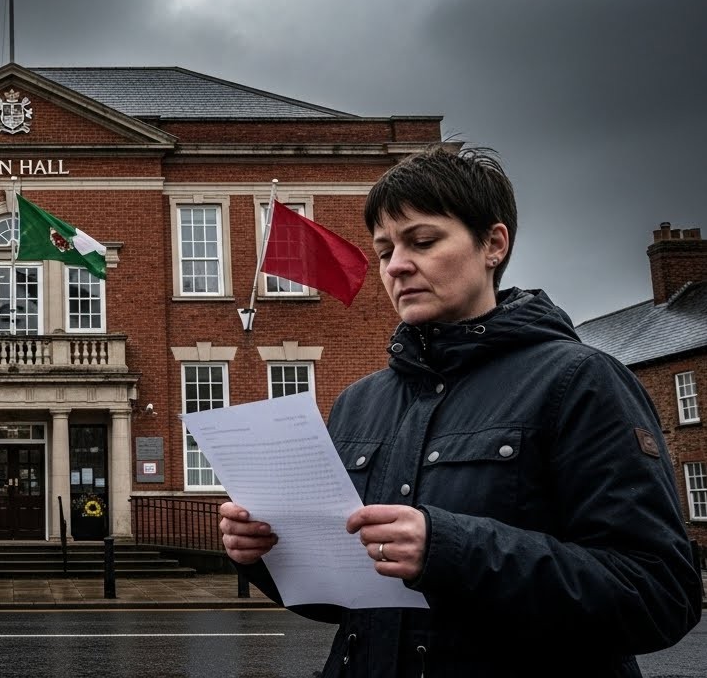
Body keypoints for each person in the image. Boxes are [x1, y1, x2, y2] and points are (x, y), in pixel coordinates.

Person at [219, 144, 702, 677]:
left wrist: (448, 548)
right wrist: (266, 553)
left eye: (422, 241)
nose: (398, 266)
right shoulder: (360, 401)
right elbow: (344, 605)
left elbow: (658, 595)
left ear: (493, 244)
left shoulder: (580, 381)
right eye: (384, 251)